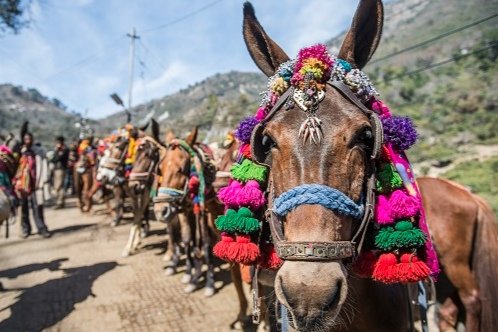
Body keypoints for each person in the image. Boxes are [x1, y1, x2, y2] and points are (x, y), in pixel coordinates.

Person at [13, 132, 51, 238]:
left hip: (35, 185)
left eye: (29, 138)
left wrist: (43, 181)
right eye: (25, 139)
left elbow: (43, 167)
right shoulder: (19, 153)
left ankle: (41, 228)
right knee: (24, 208)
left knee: (38, 208)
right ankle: (26, 229)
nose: (28, 140)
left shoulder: (38, 152)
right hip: (22, 187)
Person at [51, 136, 69, 208]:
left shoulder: (65, 149)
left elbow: (58, 158)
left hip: (61, 169)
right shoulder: (59, 149)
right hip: (57, 169)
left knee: (58, 186)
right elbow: (53, 159)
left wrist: (57, 150)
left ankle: (60, 202)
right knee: (58, 186)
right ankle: (60, 201)